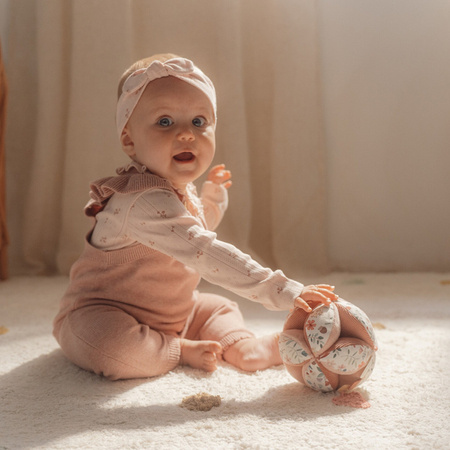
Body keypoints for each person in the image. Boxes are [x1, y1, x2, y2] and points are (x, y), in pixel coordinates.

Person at [53, 53, 338, 380]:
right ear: (129, 139)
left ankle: (242, 347)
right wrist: (284, 290)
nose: (186, 133)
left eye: (199, 122)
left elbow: (194, 231)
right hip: (103, 314)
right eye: (164, 122)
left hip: (177, 312)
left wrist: (211, 198)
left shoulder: (178, 191)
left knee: (218, 308)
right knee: (115, 351)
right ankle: (178, 350)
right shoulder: (138, 200)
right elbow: (202, 250)